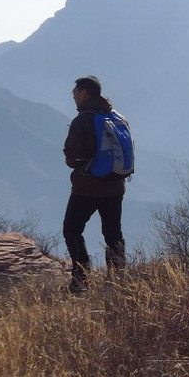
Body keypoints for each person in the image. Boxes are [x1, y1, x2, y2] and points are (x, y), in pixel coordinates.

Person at [63, 75, 127, 293]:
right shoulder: (117, 117)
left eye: (74, 93)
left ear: (84, 94)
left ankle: (81, 280)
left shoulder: (82, 121)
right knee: (113, 234)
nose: (73, 96)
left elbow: (72, 157)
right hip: (116, 186)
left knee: (72, 229)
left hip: (88, 188)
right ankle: (118, 281)